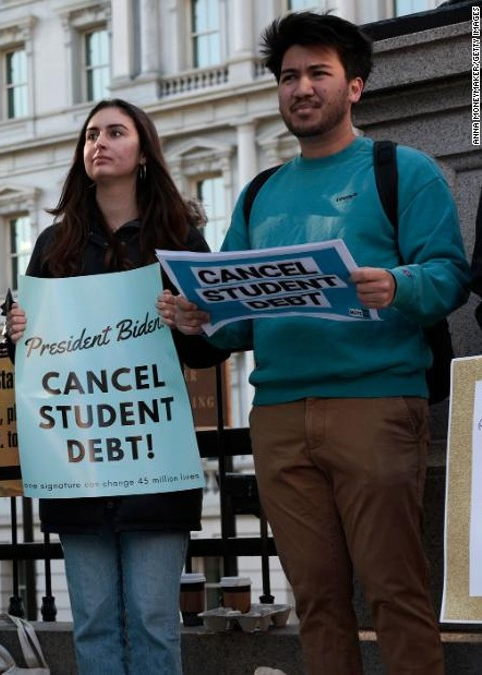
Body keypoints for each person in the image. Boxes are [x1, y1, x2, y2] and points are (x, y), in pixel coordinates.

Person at [159, 12, 468, 675]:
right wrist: (199, 320)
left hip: (378, 403)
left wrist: (398, 282)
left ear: (354, 85)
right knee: (317, 601)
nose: (301, 88)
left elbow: (448, 275)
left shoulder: (402, 171)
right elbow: (240, 320)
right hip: (277, 414)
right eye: (289, 76)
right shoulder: (260, 191)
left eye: (318, 73)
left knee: (396, 591)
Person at [3, 99, 228, 675]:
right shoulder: (54, 245)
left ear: (143, 152)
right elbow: (34, 352)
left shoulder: (180, 237)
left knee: (154, 622)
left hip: (153, 459)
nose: (99, 142)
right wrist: (18, 329)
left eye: (115, 132)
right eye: (90, 135)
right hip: (77, 465)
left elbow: (210, 348)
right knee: (96, 625)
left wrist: (191, 320)